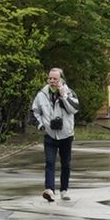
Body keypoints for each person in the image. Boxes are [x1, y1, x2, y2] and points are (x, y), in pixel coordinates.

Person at [31, 65, 78, 200]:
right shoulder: (41, 94)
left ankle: (64, 190)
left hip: (66, 134)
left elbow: (74, 109)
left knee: (66, 164)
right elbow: (34, 112)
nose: (52, 81)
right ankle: (49, 190)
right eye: (50, 78)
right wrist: (40, 125)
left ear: (61, 79)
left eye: (55, 78)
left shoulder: (70, 93)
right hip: (50, 134)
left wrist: (63, 96)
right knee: (50, 162)